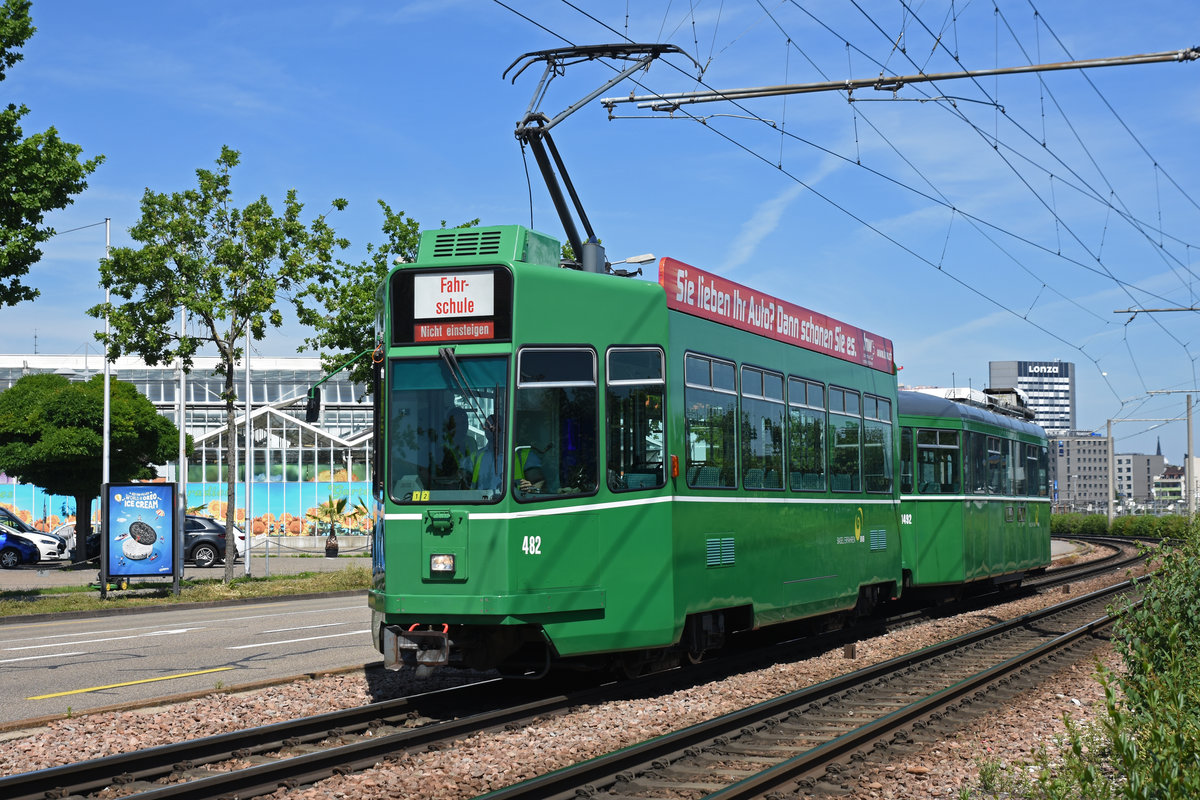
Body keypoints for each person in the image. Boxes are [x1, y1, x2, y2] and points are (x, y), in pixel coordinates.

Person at [471, 414, 503, 493]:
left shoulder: (517, 453)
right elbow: (465, 483)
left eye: (493, 426)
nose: (489, 429)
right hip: (479, 503)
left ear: (502, 429)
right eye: (486, 426)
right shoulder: (475, 456)